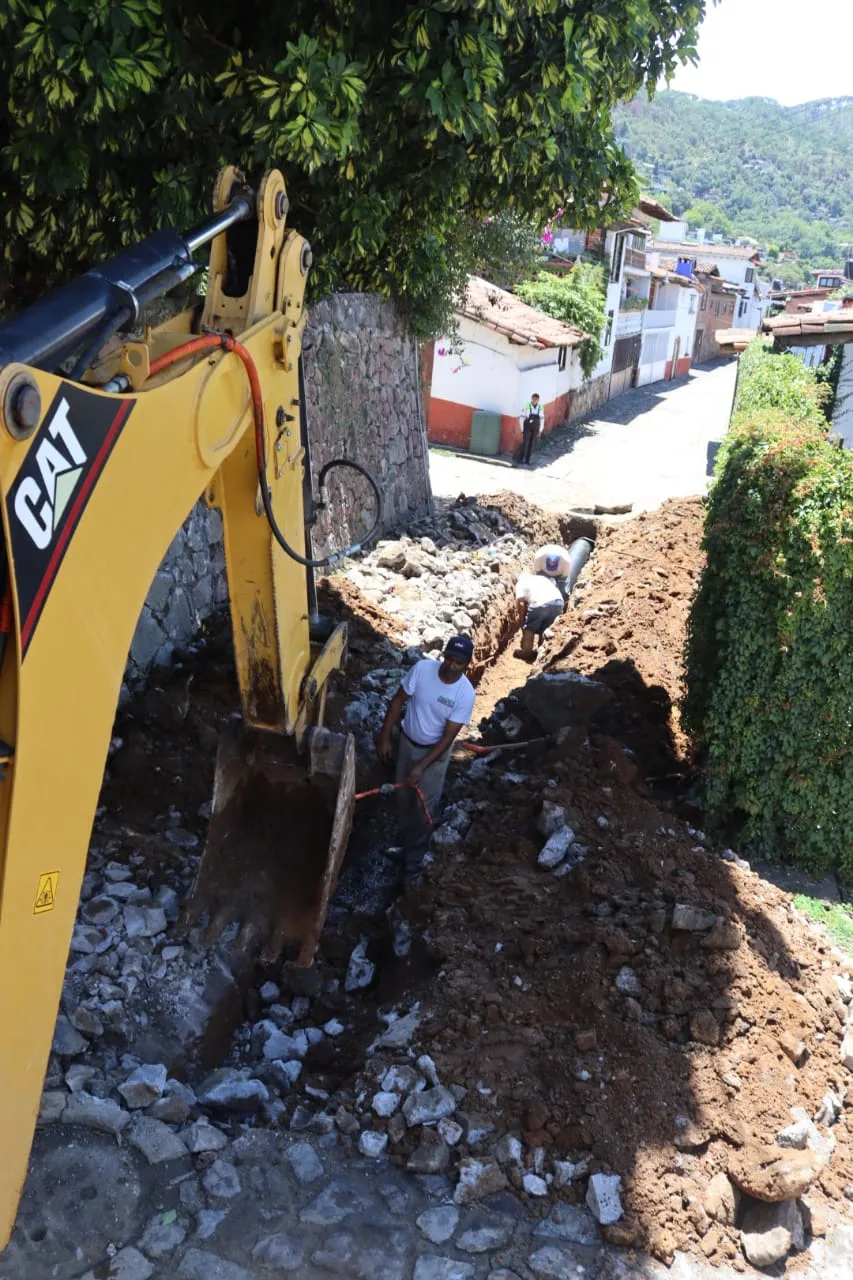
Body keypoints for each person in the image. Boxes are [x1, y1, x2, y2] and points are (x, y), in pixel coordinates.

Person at [377, 635, 476, 883]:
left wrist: (422, 766)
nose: (452, 665)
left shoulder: (465, 694)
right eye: (450, 659)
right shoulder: (422, 669)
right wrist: (385, 738)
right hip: (407, 744)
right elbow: (398, 700)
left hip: (434, 754)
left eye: (459, 662)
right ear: (444, 655)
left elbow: (447, 738)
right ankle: (404, 845)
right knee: (403, 798)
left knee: (423, 808)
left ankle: (412, 867)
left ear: (467, 665)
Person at [513, 570, 564, 661]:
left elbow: (521, 603)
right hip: (558, 602)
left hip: (540, 603)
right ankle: (542, 651)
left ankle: (526, 652)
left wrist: (522, 619)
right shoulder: (541, 578)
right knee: (547, 627)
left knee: (529, 627)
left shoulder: (520, 583)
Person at [517, 393, 544, 466]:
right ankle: (520, 459)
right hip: (527, 427)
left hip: (535, 427)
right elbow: (521, 418)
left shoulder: (540, 407)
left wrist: (540, 430)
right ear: (531, 398)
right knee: (525, 443)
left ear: (538, 400)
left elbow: (542, 419)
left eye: (536, 399)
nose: (535, 400)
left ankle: (527, 460)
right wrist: (522, 429)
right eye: (533, 399)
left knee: (531, 444)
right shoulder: (527, 405)